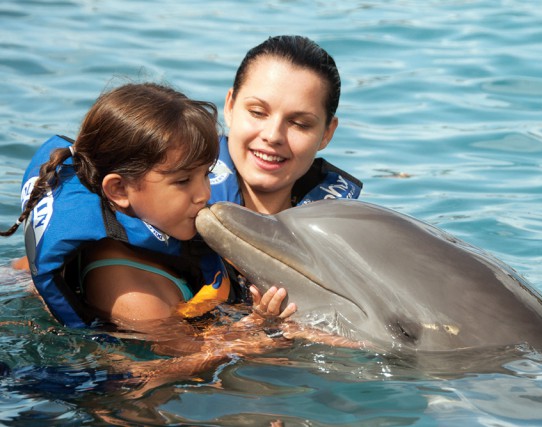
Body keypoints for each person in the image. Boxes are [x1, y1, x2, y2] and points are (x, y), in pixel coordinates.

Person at [1, 82, 294, 336]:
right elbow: (162, 371)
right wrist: (260, 330)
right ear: (118, 190)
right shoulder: (134, 295)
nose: (204, 193)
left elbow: (21, 269)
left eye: (206, 174)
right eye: (182, 181)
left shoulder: (142, 231)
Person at [209, 34, 362, 214]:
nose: (273, 136)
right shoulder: (174, 210)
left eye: (300, 123)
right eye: (257, 112)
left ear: (327, 134)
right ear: (230, 107)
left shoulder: (342, 229)